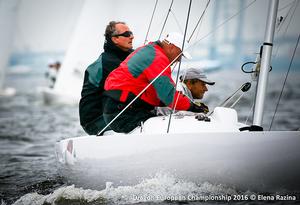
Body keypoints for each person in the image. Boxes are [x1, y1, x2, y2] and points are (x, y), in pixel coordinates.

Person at [102, 32, 209, 133]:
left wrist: (186, 104)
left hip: (116, 110)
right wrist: (192, 107)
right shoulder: (157, 58)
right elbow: (168, 95)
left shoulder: (149, 51)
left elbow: (160, 94)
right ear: (171, 47)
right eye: (180, 54)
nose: (179, 60)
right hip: (122, 115)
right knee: (174, 126)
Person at [79, 21, 134, 135]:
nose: (132, 36)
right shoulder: (107, 63)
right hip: (95, 121)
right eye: (127, 34)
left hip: (115, 113)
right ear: (115, 39)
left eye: (131, 33)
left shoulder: (129, 57)